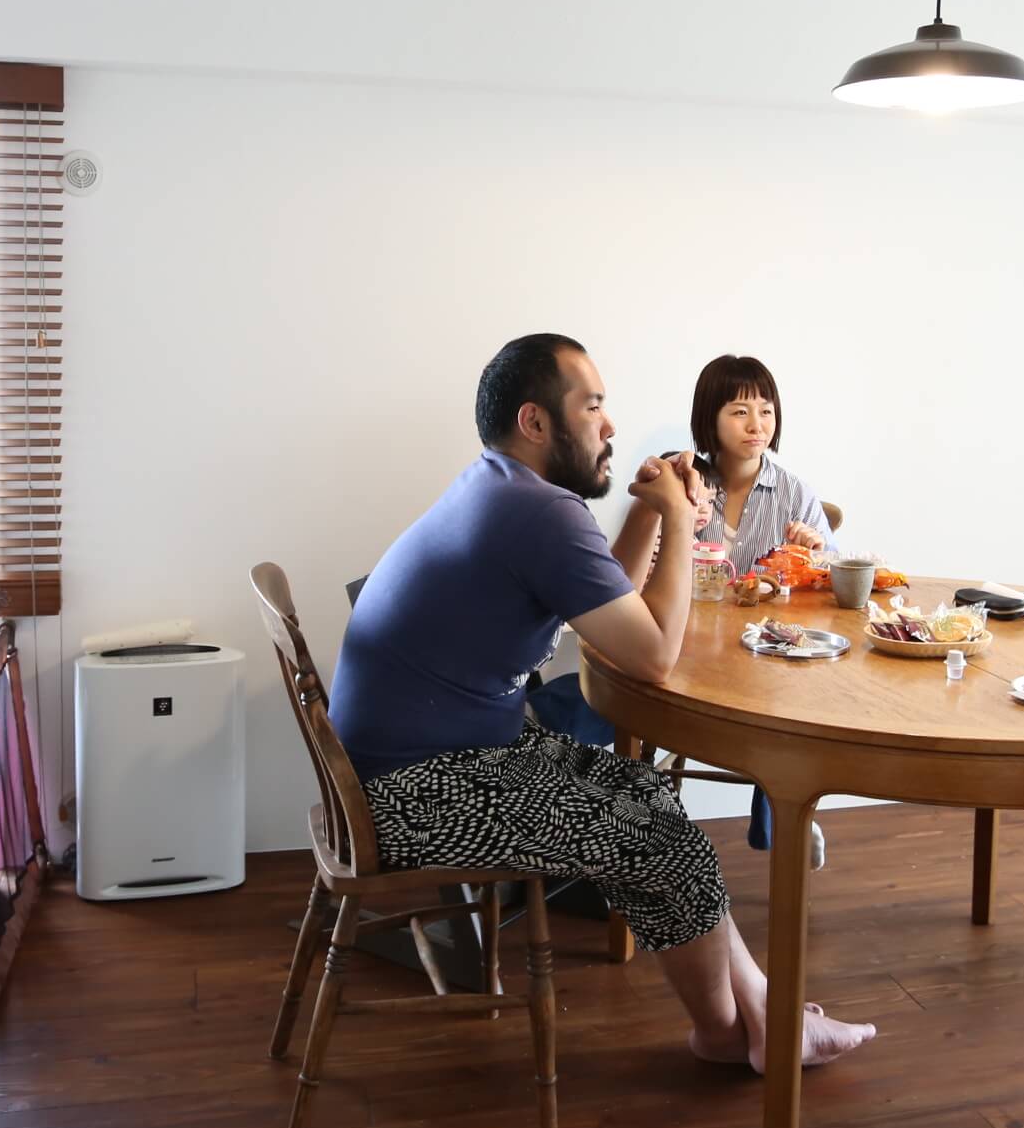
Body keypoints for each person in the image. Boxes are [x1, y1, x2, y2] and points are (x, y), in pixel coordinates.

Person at [333, 333, 877, 1071]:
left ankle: (760, 1016)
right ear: (535, 422)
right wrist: (681, 520)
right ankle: (731, 1033)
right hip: (414, 793)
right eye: (592, 407)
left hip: (421, 759)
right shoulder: (537, 513)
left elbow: (605, 604)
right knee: (661, 837)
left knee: (647, 796)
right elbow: (650, 656)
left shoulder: (501, 487)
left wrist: (649, 515)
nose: (611, 426)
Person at [612, 353, 836, 861]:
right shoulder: (683, 481)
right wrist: (668, 517)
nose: (757, 425)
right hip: (684, 645)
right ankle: (652, 829)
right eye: (739, 411)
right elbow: (634, 578)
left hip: (762, 652)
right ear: (708, 418)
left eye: (766, 411)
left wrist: (812, 550)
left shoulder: (794, 493)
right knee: (636, 686)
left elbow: (831, 584)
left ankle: (785, 814)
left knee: (781, 703)